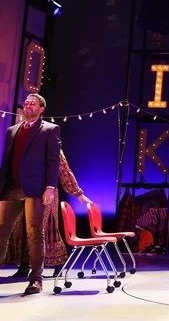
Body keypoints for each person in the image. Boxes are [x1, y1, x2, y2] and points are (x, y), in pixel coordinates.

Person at [0, 94, 61, 295]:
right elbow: (7, 161)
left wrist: (50, 188)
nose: (27, 106)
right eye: (26, 103)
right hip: (12, 187)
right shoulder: (12, 130)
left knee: (34, 233)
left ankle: (36, 279)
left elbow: (53, 162)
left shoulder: (49, 130)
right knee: (1, 230)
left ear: (41, 109)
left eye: (32, 104)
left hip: (35, 189)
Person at [7, 150, 91, 278]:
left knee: (45, 229)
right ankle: (24, 266)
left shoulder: (51, 142)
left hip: (45, 193)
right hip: (24, 191)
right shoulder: (25, 141)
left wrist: (77, 193)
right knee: (23, 228)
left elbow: (63, 169)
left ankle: (59, 264)